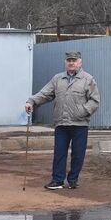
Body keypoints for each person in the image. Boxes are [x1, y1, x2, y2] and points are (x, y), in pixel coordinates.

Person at [26, 51, 100, 191]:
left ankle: (73, 180)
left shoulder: (88, 79)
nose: (71, 62)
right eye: (68, 60)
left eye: (74, 60)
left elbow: (95, 101)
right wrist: (31, 101)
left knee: (78, 154)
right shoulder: (58, 79)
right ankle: (57, 180)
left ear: (80, 62)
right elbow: (45, 94)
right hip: (61, 123)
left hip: (80, 124)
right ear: (65, 62)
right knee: (59, 153)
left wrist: (82, 111)